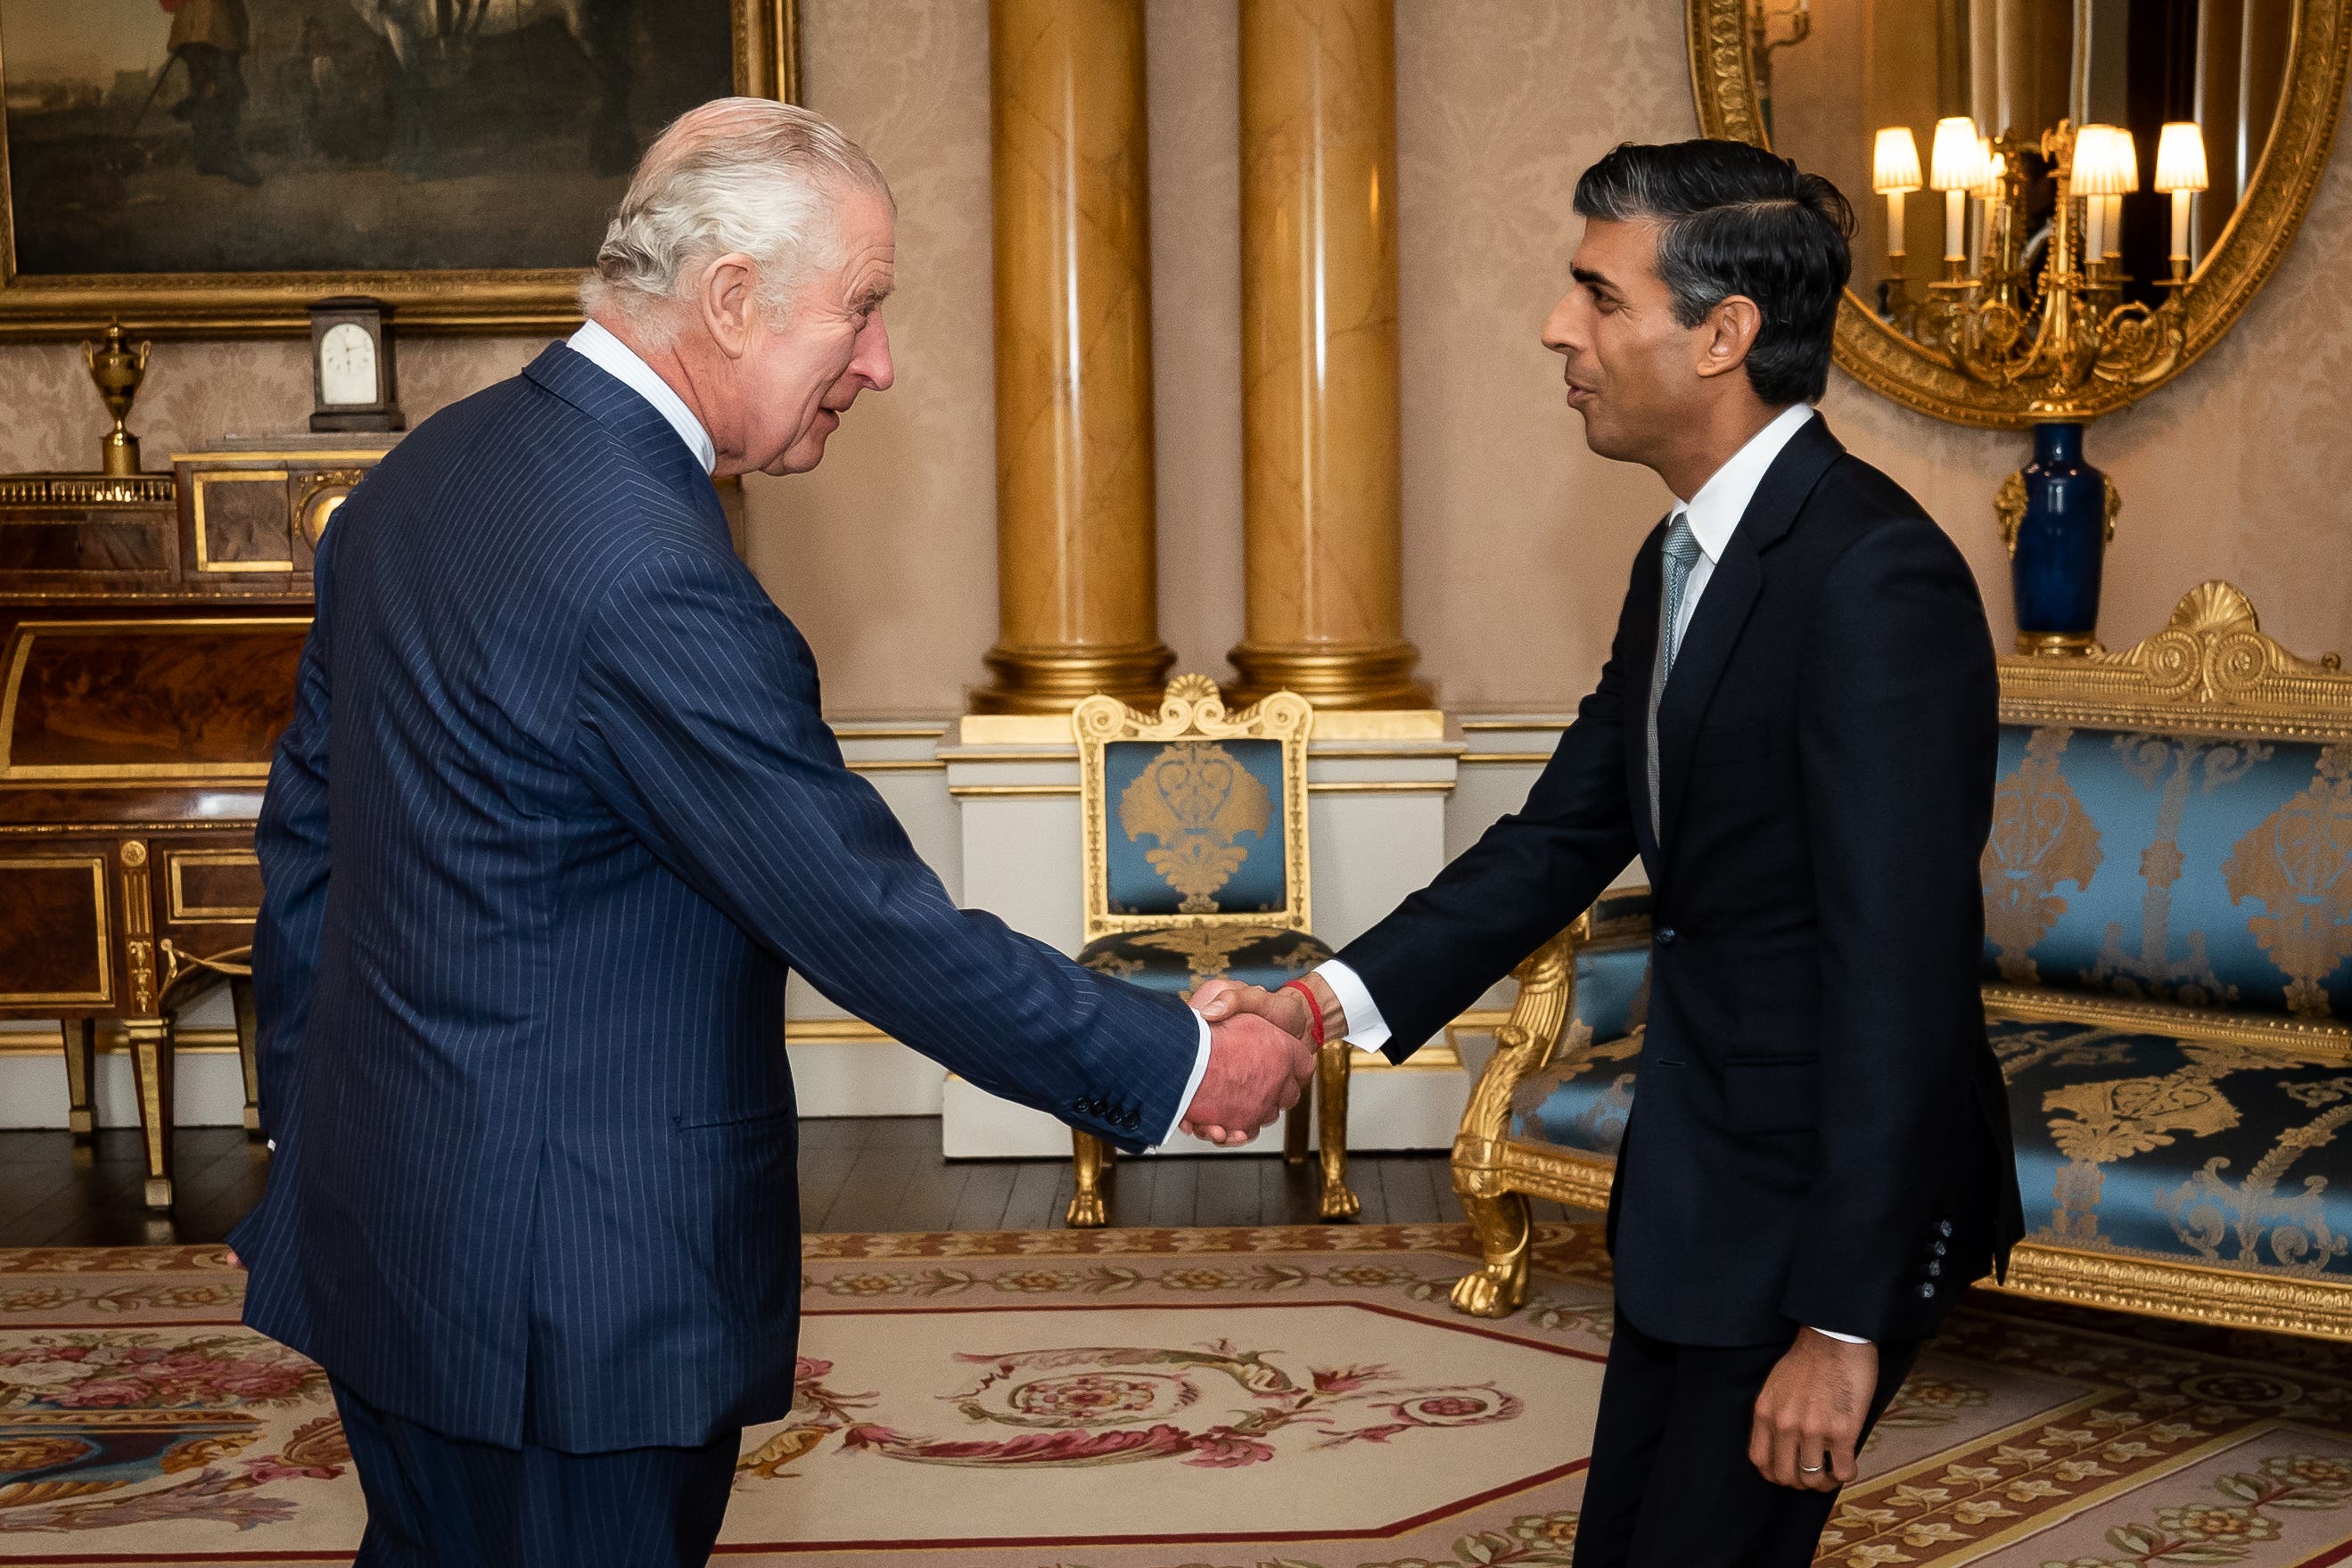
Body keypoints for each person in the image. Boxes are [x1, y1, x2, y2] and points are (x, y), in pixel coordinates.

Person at [228, 99, 1310, 1567]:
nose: (879, 359)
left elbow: (307, 844)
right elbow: (862, 915)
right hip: (571, 1295)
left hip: (391, 1228)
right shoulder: (648, 571)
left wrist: (316, 1130)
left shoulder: (428, 476)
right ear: (730, 299)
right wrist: (1178, 1056)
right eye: (860, 306)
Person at [1197, 139, 2025, 1567]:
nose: (1555, 328)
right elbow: (1557, 836)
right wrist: (1318, 1003)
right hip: (1705, 1181)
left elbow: (1904, 975)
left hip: (1817, 1208)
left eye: (1596, 292)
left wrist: (1842, 1321)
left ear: (1722, 334)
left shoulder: (1871, 577)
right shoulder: (1685, 555)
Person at [163, 0, 262, 186]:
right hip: (210, 20)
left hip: (210, 20)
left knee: (206, 86)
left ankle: (207, 157)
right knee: (222, 85)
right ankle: (227, 158)